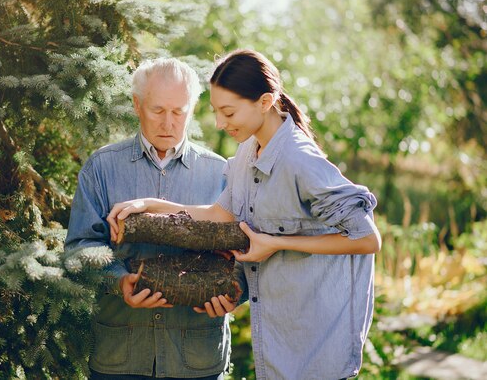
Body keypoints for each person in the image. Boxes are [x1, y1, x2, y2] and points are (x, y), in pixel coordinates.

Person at [107, 49, 382, 380]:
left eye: (228, 113)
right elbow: (218, 213)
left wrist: (276, 243)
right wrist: (150, 204)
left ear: (265, 102)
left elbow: (367, 238)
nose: (221, 124)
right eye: (216, 112)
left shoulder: (300, 160)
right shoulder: (247, 153)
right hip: (279, 340)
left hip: (318, 346)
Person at [65, 58, 236, 380]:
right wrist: (118, 280)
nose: (168, 123)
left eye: (179, 111)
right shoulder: (102, 167)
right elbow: (79, 246)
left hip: (197, 358)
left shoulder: (221, 173)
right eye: (158, 110)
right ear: (137, 104)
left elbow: (244, 252)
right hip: (120, 355)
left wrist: (232, 294)